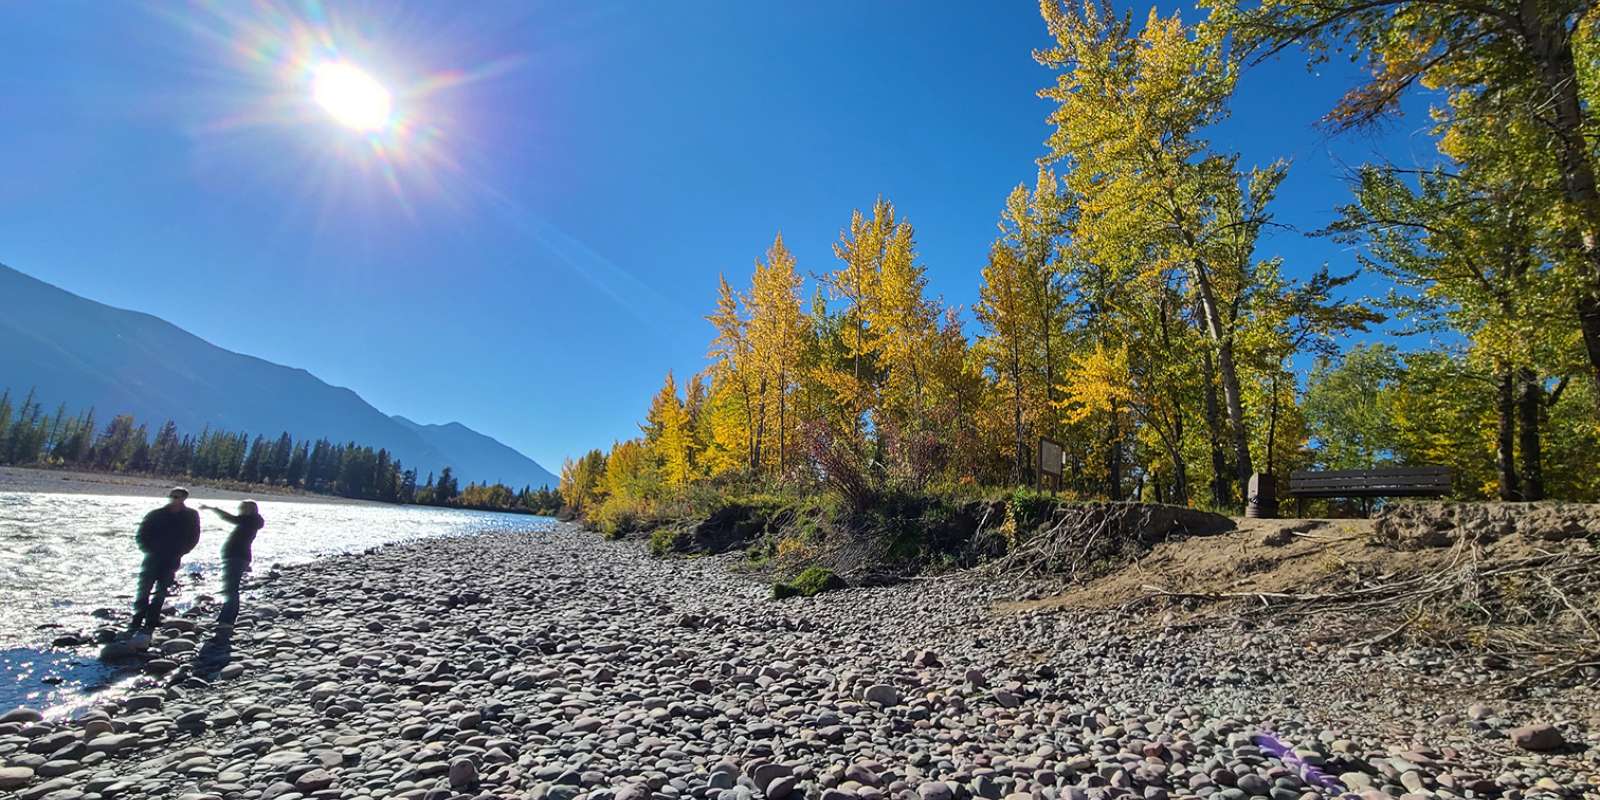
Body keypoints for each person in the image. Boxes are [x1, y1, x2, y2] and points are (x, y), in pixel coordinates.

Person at [130, 487, 202, 633]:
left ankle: (152, 619)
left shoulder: (191, 515)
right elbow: (141, 534)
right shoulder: (156, 514)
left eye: (178, 497)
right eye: (173, 496)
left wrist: (182, 551)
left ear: (184, 499)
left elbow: (194, 536)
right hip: (152, 556)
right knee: (144, 589)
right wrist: (148, 549)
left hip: (173, 557)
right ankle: (137, 619)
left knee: (162, 589)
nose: (175, 499)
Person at [199, 500, 264, 626]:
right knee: (231, 589)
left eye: (241, 508)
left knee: (231, 589)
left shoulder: (249, 521)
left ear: (248, 509)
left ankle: (227, 618)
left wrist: (213, 508)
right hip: (238, 556)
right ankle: (226, 617)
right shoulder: (251, 521)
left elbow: (228, 518)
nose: (239, 510)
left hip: (236, 556)